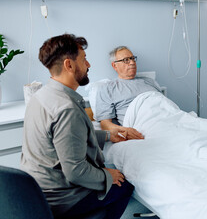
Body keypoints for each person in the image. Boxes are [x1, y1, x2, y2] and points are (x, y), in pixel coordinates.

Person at [21, 34, 135, 219]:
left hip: (37, 190)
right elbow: (76, 172)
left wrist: (107, 135)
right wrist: (107, 175)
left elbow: (66, 138)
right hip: (62, 198)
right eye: (84, 59)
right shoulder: (67, 109)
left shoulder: (41, 96)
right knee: (124, 186)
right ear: (69, 65)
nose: (88, 65)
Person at [90, 46, 162, 132]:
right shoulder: (107, 89)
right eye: (126, 60)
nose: (132, 63)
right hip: (142, 127)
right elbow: (105, 124)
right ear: (114, 65)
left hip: (165, 119)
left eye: (132, 58)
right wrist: (125, 131)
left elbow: (165, 104)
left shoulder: (150, 82)